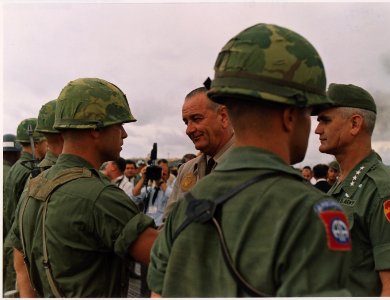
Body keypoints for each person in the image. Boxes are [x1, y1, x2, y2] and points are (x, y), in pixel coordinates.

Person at [148, 23, 351, 297]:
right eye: (309, 114)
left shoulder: (190, 203)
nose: (313, 128)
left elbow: (157, 292)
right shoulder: (311, 212)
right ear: (290, 115)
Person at [9, 78, 158, 297]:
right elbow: (172, 260)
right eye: (119, 125)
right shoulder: (100, 196)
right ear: (95, 129)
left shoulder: (34, 185)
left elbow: (20, 263)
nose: (124, 134)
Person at [314, 83, 390, 296]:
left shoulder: (386, 193)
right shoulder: (343, 185)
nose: (317, 129)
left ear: (355, 124)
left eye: (325, 120)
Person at [162, 86, 235, 222]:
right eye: (186, 122)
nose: (189, 130)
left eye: (196, 119)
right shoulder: (186, 169)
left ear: (224, 117)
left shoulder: (251, 163)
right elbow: (168, 224)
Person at [3, 118, 47, 296]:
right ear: (36, 142)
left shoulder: (17, 167)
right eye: (45, 140)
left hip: (11, 238)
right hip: (20, 245)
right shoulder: (29, 170)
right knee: (19, 289)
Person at [132, 162, 173, 227]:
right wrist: (143, 178)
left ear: (168, 176)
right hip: (147, 225)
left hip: (161, 226)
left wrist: (160, 181)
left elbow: (172, 197)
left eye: (164, 174)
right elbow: (134, 195)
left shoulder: (171, 190)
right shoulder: (148, 189)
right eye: (159, 173)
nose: (161, 175)